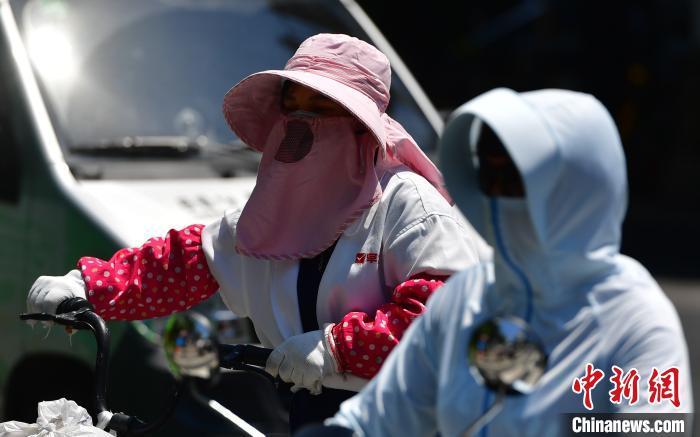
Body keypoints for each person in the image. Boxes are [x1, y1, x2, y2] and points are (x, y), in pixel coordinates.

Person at [26, 33, 480, 430]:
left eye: (322, 105)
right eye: (293, 101)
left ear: (363, 126)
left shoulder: (407, 204)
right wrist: (87, 286)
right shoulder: (273, 214)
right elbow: (188, 262)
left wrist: (339, 348)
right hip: (309, 417)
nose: (303, 120)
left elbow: (448, 317)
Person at [323, 88, 693, 436]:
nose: (497, 197)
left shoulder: (635, 318)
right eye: (489, 176)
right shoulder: (466, 297)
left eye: (517, 181)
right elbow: (378, 417)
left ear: (577, 188)